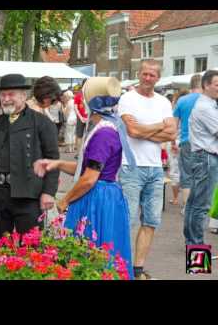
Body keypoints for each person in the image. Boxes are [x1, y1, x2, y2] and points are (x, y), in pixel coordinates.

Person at [34, 77, 135, 279]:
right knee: (103, 250)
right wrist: (59, 164)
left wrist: (65, 200)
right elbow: (88, 169)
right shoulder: (107, 127)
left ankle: (197, 267)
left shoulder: (103, 133)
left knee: (92, 251)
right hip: (106, 194)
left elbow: (89, 178)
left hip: (98, 197)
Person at [117, 59, 177, 280]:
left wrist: (145, 130)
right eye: (144, 74)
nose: (147, 78)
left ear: (158, 78)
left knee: (151, 221)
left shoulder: (163, 102)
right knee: (128, 220)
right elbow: (132, 131)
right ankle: (120, 265)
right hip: (131, 166)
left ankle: (137, 268)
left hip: (155, 168)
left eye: (152, 75)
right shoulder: (128, 98)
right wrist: (160, 126)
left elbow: (171, 134)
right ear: (138, 74)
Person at [0, 74, 59, 240]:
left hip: (28, 196)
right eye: (3, 95)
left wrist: (49, 192)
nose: (6, 99)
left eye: (11, 94)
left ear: (23, 96)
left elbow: (52, 160)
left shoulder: (41, 123)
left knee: (31, 248)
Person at [184, 70, 218, 245]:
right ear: (206, 85)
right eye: (217, 84)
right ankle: (196, 249)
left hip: (203, 157)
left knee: (194, 202)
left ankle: (191, 243)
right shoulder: (205, 107)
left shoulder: (209, 104)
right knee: (201, 205)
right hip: (206, 157)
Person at [173, 74, 203, 215]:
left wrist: (173, 141)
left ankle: (186, 207)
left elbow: (174, 125)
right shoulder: (208, 100)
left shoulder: (182, 100)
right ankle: (199, 206)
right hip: (204, 143)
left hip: (186, 141)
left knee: (186, 175)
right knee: (202, 176)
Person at [74, 81, 88, 157]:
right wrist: (81, 117)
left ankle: (81, 153)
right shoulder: (79, 95)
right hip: (83, 118)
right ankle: (79, 153)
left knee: (83, 136)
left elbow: (75, 108)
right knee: (80, 136)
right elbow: (75, 108)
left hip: (86, 118)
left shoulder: (80, 95)